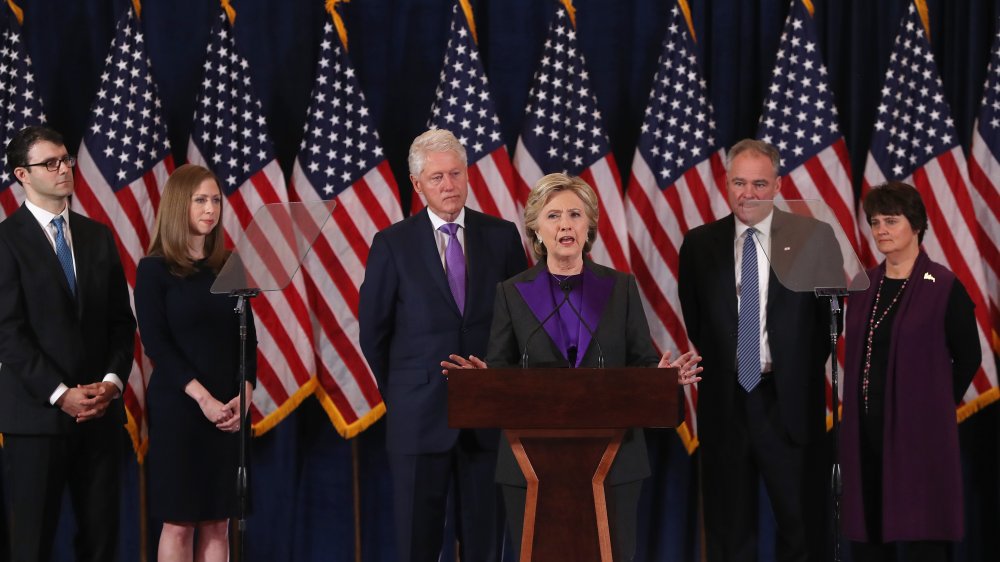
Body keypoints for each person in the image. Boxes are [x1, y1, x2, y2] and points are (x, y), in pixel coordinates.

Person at [444, 173, 703, 561]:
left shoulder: (620, 288)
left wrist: (664, 379)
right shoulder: (512, 292)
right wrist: (485, 382)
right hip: (529, 465)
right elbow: (502, 367)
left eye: (575, 214)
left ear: (589, 225)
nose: (565, 224)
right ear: (536, 227)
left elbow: (642, 362)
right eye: (553, 215)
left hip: (615, 462)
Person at [358, 128, 528, 562]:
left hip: (487, 419)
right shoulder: (391, 244)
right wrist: (404, 393)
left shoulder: (503, 236)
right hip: (418, 418)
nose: (449, 185)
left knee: (486, 546)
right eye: (437, 178)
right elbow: (373, 333)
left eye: (455, 174)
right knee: (418, 545)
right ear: (417, 185)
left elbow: (521, 324)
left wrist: (499, 382)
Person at [678, 139, 838, 562]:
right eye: (739, 183)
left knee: (800, 527)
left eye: (759, 183)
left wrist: (791, 370)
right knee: (729, 532)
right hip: (725, 402)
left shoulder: (813, 237)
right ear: (726, 184)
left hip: (786, 405)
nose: (748, 194)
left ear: (779, 184)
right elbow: (698, 322)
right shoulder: (699, 245)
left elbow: (825, 328)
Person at [0, 125, 135, 561]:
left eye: (66, 160)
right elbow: (8, 332)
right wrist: (61, 395)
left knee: (101, 544)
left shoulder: (98, 235)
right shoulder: (5, 241)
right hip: (37, 419)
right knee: (32, 544)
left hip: (99, 415)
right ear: (23, 174)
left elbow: (121, 322)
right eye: (50, 163)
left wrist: (112, 383)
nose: (63, 169)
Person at [841, 181, 980, 562]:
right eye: (874, 222)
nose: (881, 230)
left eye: (891, 220)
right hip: (865, 434)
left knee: (922, 538)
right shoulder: (862, 285)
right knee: (869, 537)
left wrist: (933, 406)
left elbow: (969, 357)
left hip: (920, 438)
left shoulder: (944, 286)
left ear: (915, 224)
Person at [134, 164, 256, 562]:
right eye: (200, 200)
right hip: (181, 409)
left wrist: (244, 395)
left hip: (229, 410)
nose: (210, 209)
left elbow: (249, 341)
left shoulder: (229, 264)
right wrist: (203, 399)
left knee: (218, 521)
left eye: (216, 200)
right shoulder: (154, 269)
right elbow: (158, 345)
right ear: (177, 205)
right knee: (180, 522)